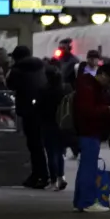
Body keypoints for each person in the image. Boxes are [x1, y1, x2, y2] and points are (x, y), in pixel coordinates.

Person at [73, 59, 110, 212]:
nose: (109, 85)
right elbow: (87, 111)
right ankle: (87, 202)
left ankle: (80, 201)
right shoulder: (89, 88)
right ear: (103, 75)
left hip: (86, 131)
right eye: (109, 81)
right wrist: (107, 110)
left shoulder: (86, 85)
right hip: (89, 131)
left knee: (85, 167)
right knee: (89, 168)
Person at [7, 45, 49, 189]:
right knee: (39, 145)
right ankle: (42, 174)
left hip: (27, 111)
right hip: (41, 109)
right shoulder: (40, 66)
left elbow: (10, 85)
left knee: (33, 145)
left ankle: (40, 175)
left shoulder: (17, 70)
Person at [39, 61, 68, 191]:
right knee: (60, 152)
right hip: (62, 124)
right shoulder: (65, 89)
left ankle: (53, 180)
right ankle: (61, 177)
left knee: (51, 153)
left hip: (48, 123)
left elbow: (39, 108)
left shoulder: (44, 90)